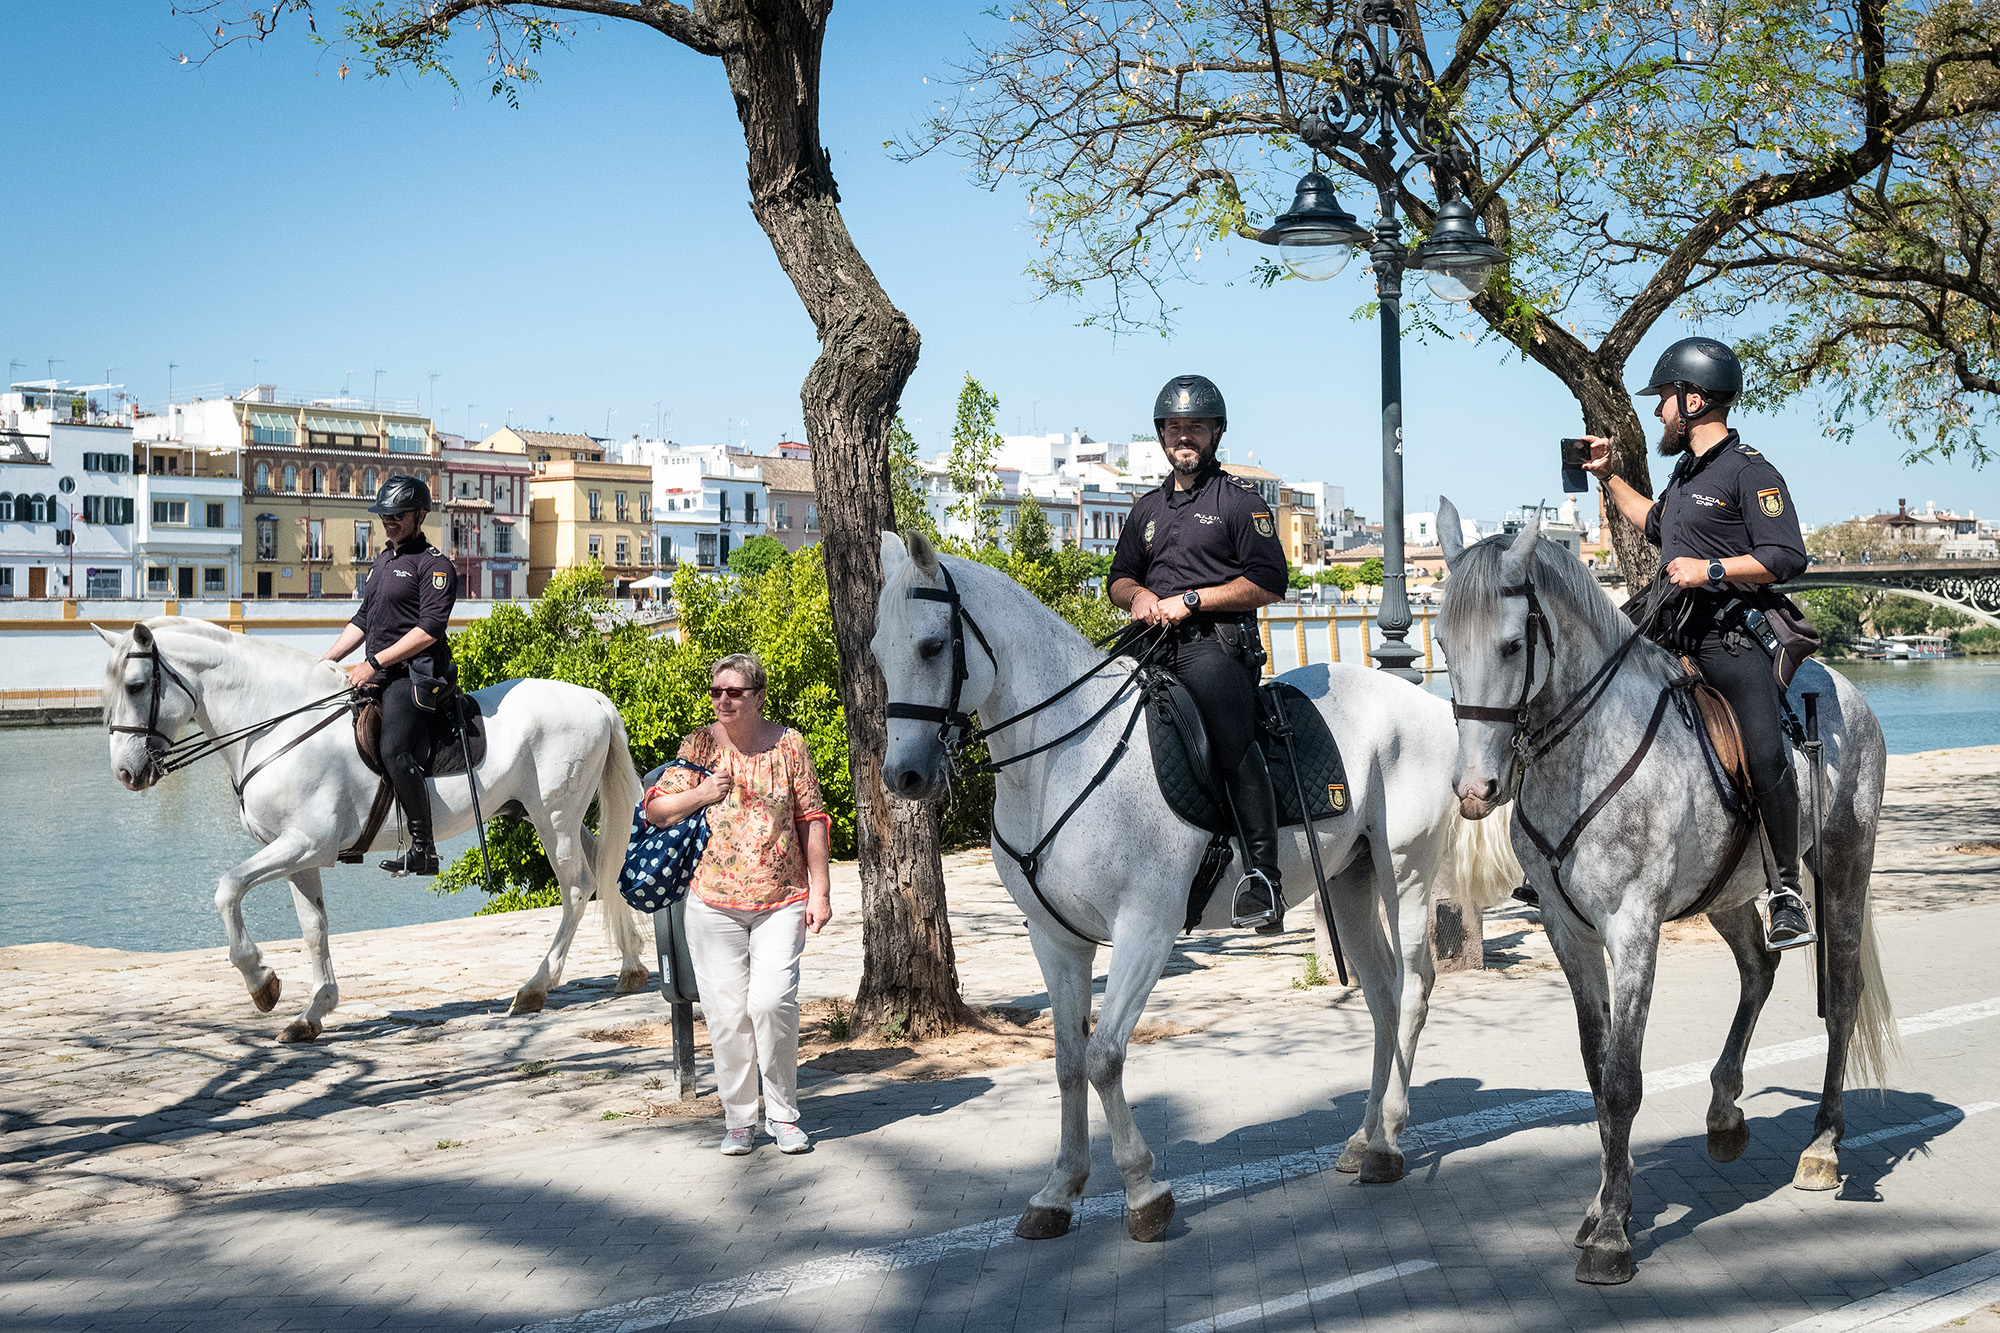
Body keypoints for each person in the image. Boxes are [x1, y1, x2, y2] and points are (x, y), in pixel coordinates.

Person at [1580, 336, 1815, 949]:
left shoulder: (1752, 472)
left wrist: (1711, 571)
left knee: (1764, 752)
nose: (1658, 410)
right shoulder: (1686, 473)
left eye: (1663, 398)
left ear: (1695, 398)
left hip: (1730, 639)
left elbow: (1786, 557)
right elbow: (1656, 523)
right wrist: (1609, 476)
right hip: (1668, 626)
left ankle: (1787, 889)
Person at [1108, 374, 1290, 932]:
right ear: (1162, 436)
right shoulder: (1144, 509)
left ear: (1215, 433)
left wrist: (1193, 600)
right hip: (1150, 639)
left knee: (1229, 740)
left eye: (1194, 428)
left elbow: (1269, 582)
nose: (1183, 437)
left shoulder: (1241, 503)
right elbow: (1118, 579)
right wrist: (1138, 596)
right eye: (1174, 428)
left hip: (1216, 645)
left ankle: (1263, 876)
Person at [644, 653, 833, 1156]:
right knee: (728, 1015)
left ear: (758, 696)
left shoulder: (789, 744)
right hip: (712, 903)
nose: (723, 700)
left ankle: (785, 1115)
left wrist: (822, 891)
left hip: (781, 898)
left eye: (734, 692)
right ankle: (739, 1120)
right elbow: (657, 809)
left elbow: (812, 817)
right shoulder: (699, 744)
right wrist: (701, 792)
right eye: (716, 691)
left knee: (771, 1005)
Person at [320, 473, 458, 876]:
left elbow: (430, 628)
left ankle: (424, 848)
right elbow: (363, 619)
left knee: (394, 750)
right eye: (385, 514)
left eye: (398, 514)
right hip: (377, 673)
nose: (390, 520)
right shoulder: (383, 561)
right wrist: (326, 661)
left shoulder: (434, 566)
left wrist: (375, 663)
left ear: (419, 515)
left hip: (413, 676)